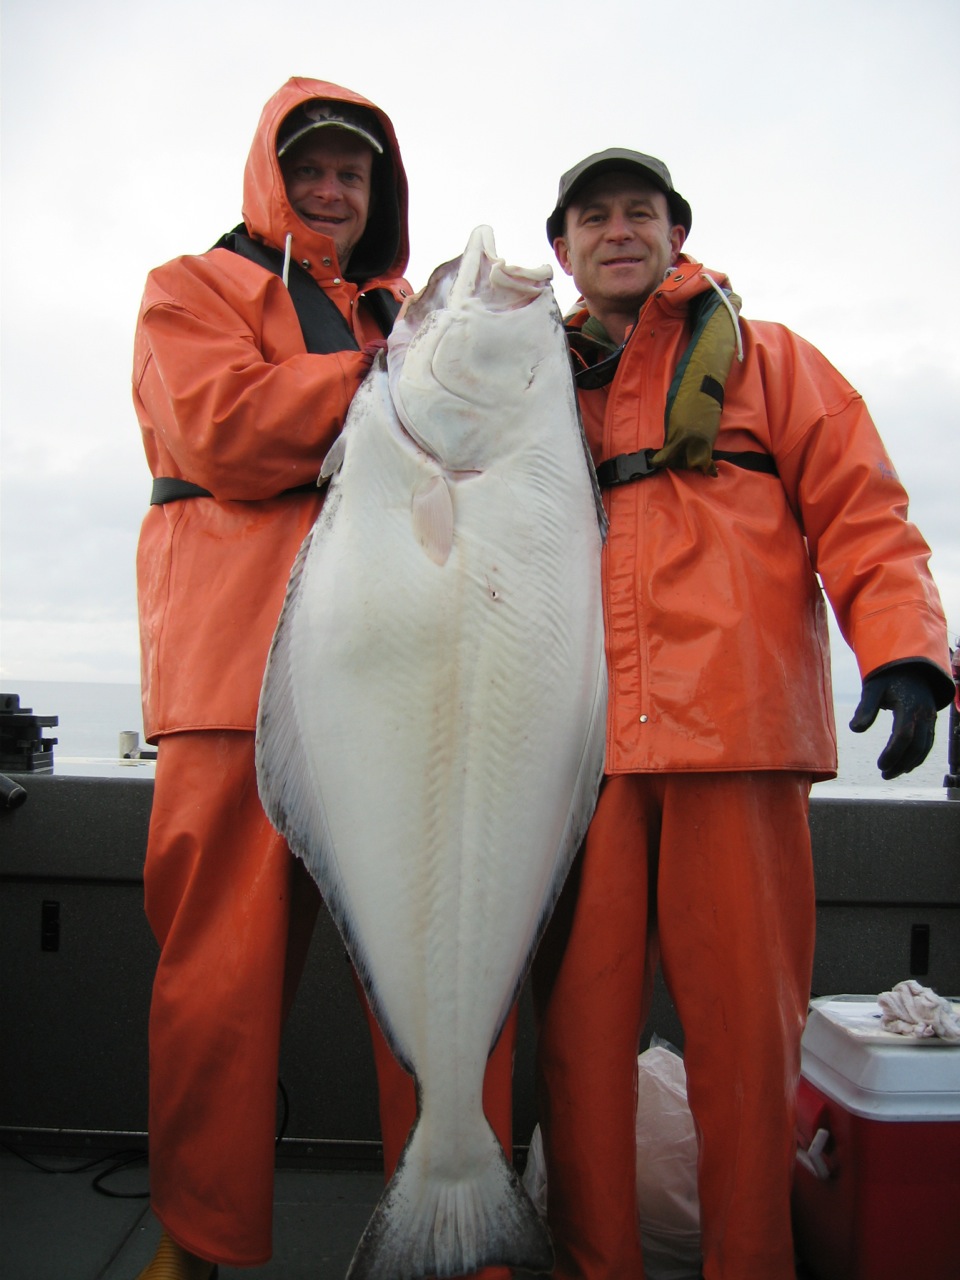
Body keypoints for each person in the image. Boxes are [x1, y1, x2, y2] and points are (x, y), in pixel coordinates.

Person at [530, 148, 954, 1280]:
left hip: (742, 742)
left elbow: (868, 518)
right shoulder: (525, 382)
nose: (621, 230)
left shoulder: (779, 365)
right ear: (562, 250)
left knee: (748, 1049)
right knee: (580, 1047)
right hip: (582, 762)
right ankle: (592, 1264)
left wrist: (909, 653)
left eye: (643, 213)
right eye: (593, 217)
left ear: (676, 233)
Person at [132, 77, 515, 1279]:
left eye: (356, 173)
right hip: (227, 683)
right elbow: (220, 427)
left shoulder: (408, 318)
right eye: (312, 167)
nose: (333, 188)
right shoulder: (191, 290)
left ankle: (467, 1241)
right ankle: (201, 1245)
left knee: (455, 960)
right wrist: (401, 381)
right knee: (218, 987)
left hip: (403, 695)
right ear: (268, 174)